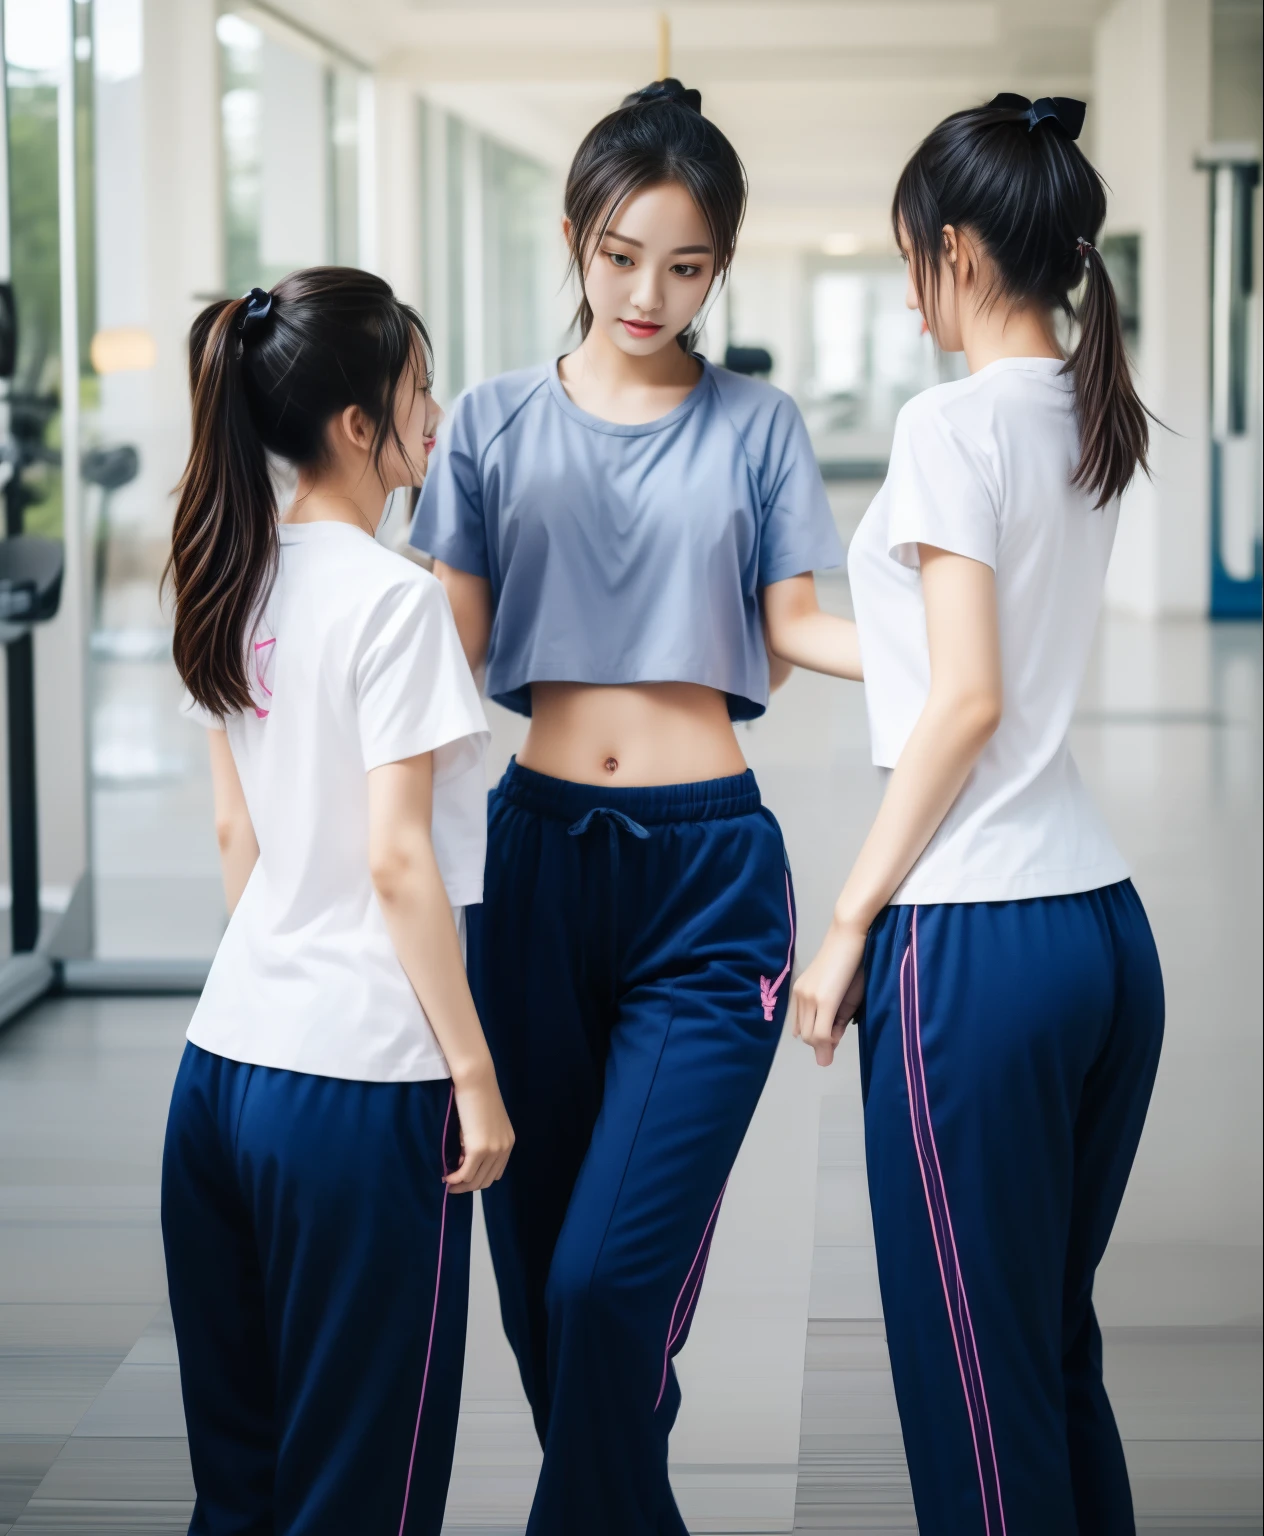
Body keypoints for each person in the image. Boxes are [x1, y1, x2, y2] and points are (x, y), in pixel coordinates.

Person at [411, 78, 858, 1536]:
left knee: (610, 1281)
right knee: (550, 1304)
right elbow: (432, 654)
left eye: (684, 264)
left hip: (709, 883)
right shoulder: (484, 423)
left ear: (720, 263)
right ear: (574, 239)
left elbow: (795, 624)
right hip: (529, 868)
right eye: (619, 256)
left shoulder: (757, 424)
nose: (647, 293)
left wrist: (960, 656)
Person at [792, 95, 1165, 1534]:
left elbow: (965, 703)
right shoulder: (1085, 404)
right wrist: (773, 638)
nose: (904, 293)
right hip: (1099, 937)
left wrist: (843, 927)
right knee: (1048, 1355)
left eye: (908, 260)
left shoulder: (948, 420)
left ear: (955, 250)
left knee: (972, 1383)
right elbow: (954, 657)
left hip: (974, 951)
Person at [160, 267, 514, 1536]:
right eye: (419, 391)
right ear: (360, 426)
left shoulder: (226, 578)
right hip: (360, 1095)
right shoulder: (395, 601)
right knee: (360, 1489)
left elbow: (232, 832)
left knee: (241, 1485)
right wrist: (472, 1073)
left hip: (221, 1073)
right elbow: (399, 861)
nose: (436, 415)